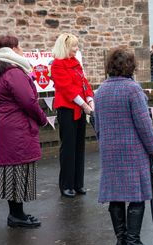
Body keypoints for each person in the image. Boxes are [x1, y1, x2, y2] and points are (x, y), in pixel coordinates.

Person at [95, 48, 153, 245]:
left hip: (109, 150)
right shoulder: (133, 89)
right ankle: (133, 243)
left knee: (115, 196)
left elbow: (97, 124)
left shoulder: (101, 90)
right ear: (130, 66)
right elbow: (144, 124)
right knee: (136, 195)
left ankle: (121, 242)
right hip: (132, 150)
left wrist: (104, 143)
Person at [0, 35, 48, 228]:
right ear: (11, 50)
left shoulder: (3, 72)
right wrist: (43, 118)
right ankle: (16, 216)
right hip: (16, 127)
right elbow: (28, 101)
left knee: (12, 169)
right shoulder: (14, 73)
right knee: (17, 169)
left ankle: (17, 213)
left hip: (7, 125)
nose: (22, 50)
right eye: (19, 47)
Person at [51, 33, 94, 198]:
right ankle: (66, 185)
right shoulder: (57, 65)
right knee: (68, 148)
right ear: (65, 47)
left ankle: (78, 183)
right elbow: (66, 88)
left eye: (77, 46)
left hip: (81, 108)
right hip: (67, 109)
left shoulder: (75, 63)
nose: (76, 49)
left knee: (79, 147)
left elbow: (84, 83)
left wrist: (90, 99)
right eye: (74, 46)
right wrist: (84, 104)